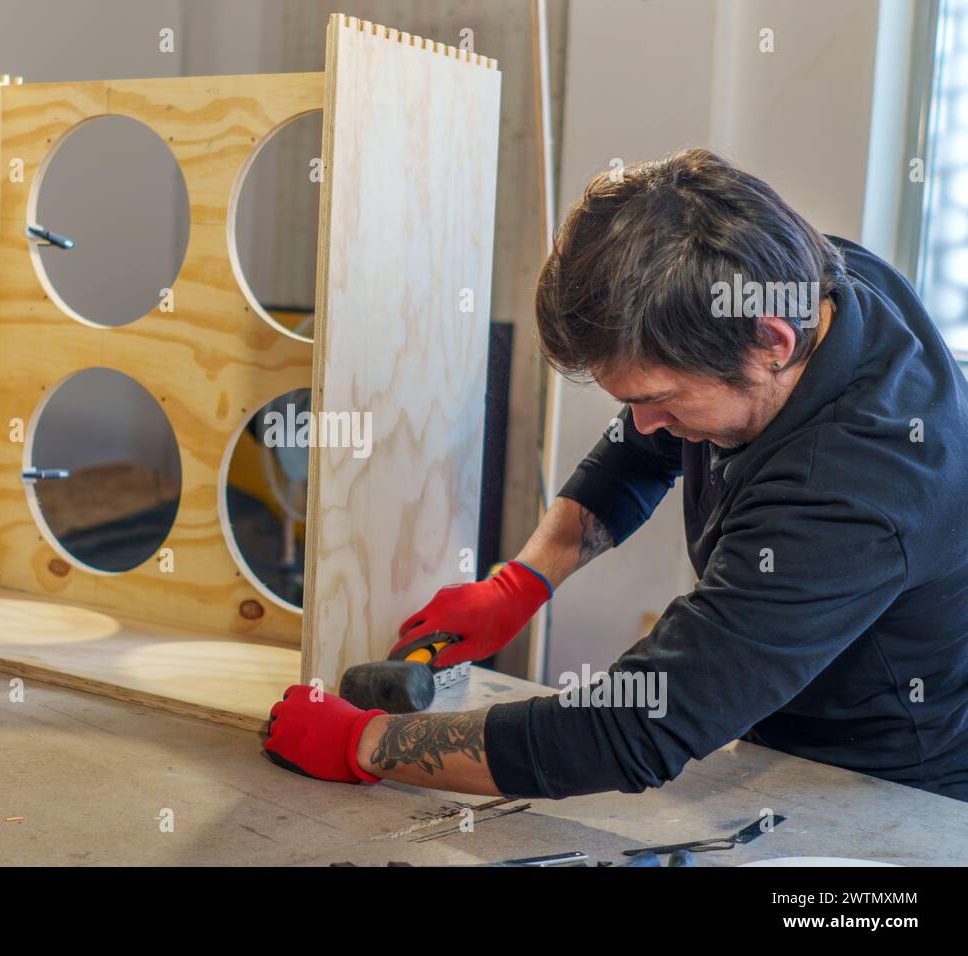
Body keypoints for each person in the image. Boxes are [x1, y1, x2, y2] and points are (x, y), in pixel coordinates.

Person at [263, 148, 968, 802]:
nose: (644, 422)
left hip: (889, 789)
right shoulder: (806, 279)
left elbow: (636, 726)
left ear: (768, 344)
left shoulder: (855, 494)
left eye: (656, 398)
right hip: (779, 731)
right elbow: (640, 449)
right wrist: (523, 581)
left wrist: (369, 743)